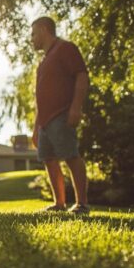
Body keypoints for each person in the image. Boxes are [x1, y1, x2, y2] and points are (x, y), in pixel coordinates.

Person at [30, 16, 90, 214]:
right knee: (49, 159)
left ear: (44, 30)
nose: (31, 39)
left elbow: (81, 75)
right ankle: (59, 204)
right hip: (45, 121)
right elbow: (40, 96)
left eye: (33, 33)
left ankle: (82, 203)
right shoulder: (44, 61)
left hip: (61, 114)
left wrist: (76, 107)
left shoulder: (65, 48)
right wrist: (36, 127)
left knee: (71, 155)